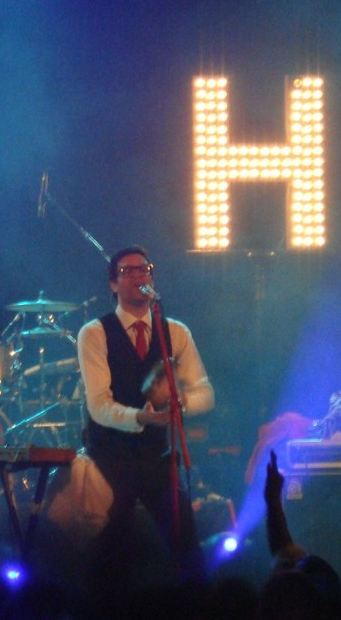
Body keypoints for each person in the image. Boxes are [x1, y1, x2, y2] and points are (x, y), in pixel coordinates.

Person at [76, 245, 215, 597]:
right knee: (113, 541)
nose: (139, 275)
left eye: (145, 269)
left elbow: (205, 393)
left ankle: (199, 605)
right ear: (113, 284)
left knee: (184, 537)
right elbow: (98, 405)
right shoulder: (94, 333)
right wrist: (141, 417)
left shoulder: (175, 332)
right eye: (128, 271)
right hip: (110, 455)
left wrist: (181, 403)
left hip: (156, 456)